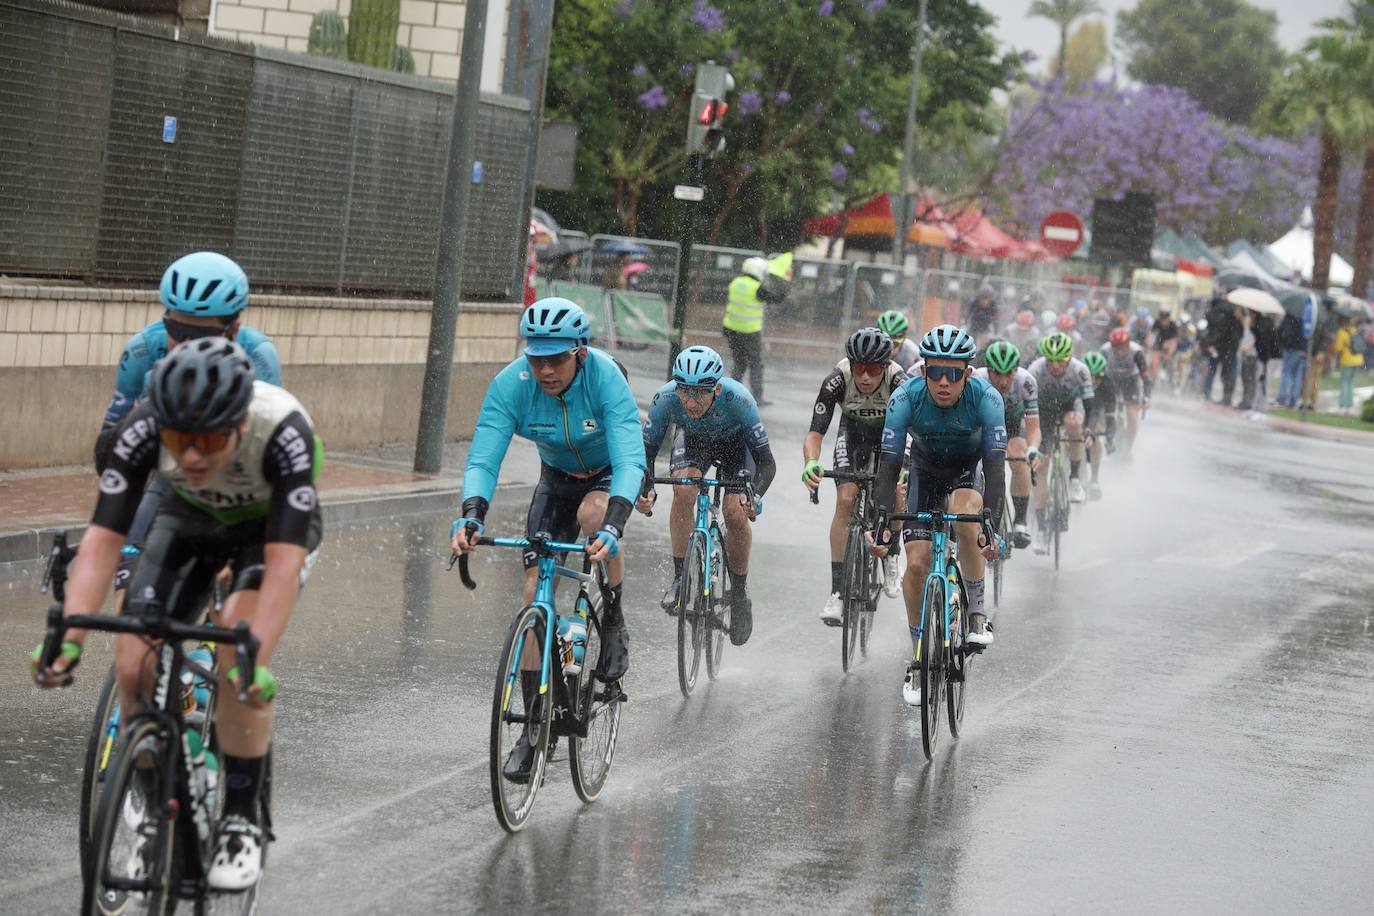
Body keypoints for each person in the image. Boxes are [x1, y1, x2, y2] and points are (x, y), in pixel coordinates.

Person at [33, 338, 323, 891]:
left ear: (239, 424)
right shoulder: (144, 426)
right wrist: (69, 635)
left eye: (209, 440)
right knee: (132, 665)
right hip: (188, 517)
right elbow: (101, 542)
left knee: (237, 657)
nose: (190, 456)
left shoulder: (283, 432)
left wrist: (254, 653)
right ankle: (148, 801)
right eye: (178, 441)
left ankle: (240, 817)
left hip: (265, 533)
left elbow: (283, 568)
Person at [451, 298, 645, 781]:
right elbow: (483, 458)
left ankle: (614, 616)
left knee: (593, 514)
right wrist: (472, 514)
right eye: (536, 358)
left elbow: (630, 461)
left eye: (555, 359)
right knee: (533, 591)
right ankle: (534, 727)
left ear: (579, 352)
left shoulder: (605, 378)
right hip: (555, 479)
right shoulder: (512, 384)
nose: (544, 369)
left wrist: (615, 526)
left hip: (604, 477)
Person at [94, 251, 282, 607]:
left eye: (203, 334)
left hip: (235, 467)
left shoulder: (258, 357)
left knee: (236, 570)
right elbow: (110, 449)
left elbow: (266, 461)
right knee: (129, 577)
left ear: (234, 330)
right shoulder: (142, 350)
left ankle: (210, 644)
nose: (188, 346)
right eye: (176, 331)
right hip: (170, 462)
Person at [870, 325, 1005, 706]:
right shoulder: (905, 397)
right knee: (916, 564)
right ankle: (918, 657)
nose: (943, 382)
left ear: (967, 373)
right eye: (935, 372)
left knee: (965, 515)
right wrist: (882, 521)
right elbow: (890, 463)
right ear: (923, 370)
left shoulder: (987, 398)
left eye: (953, 373)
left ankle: (976, 613)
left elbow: (996, 468)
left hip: (968, 468)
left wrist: (990, 522)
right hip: (924, 469)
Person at [638, 345, 774, 645]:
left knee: (735, 514)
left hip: (737, 447)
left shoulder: (739, 400)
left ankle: (739, 592)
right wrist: (644, 488)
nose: (690, 400)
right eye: (685, 391)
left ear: (717, 387)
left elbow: (767, 463)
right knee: (683, 489)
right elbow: (644, 455)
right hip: (695, 441)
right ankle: (679, 578)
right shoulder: (665, 398)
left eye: (700, 393)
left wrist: (755, 496)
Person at [802, 328, 908, 624]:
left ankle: (892, 551)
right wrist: (811, 463)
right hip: (852, 435)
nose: (864, 376)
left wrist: (907, 468)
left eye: (872, 369)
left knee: (896, 490)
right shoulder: (837, 379)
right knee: (846, 499)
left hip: (891, 435)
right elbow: (814, 433)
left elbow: (914, 431)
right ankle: (836, 592)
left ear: (885, 367)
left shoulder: (900, 382)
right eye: (858, 368)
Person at [975, 340, 1040, 547]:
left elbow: (1033, 426)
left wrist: (1032, 449)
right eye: (997, 374)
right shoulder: (976, 379)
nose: (1003, 381)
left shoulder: (1026, 381)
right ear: (988, 370)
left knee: (1019, 455)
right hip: (982, 425)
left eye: (1009, 374)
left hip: (1012, 424)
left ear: (1016, 370)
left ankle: (1020, 521)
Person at [1028, 331, 1094, 519]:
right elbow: (1027, 406)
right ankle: (1041, 524)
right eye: (1051, 361)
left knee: (1074, 422)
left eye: (1060, 361)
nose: (1055, 366)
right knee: (1042, 464)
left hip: (1068, 406)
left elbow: (1090, 405)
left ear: (1070, 358)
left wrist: (1087, 429)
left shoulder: (1080, 370)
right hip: (1043, 411)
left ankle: (1074, 478)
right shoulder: (1036, 370)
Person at [722, 256, 784, 405]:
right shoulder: (757, 288)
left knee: (739, 362)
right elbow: (776, 298)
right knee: (756, 363)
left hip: (731, 329)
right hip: (750, 332)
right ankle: (757, 396)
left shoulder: (735, 283)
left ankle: (729, 393)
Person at [1101, 327, 1151, 455]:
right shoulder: (1105, 350)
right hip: (1112, 380)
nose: (1119, 351)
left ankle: (1128, 448)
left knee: (1133, 416)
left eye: (1122, 347)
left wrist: (1146, 396)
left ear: (1128, 344)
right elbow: (1097, 374)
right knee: (1106, 411)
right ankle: (1110, 439)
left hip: (1131, 381)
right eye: (1115, 347)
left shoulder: (1137, 352)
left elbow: (1146, 377)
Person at [1081, 351, 1116, 500]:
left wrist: (1110, 437)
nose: (1094, 381)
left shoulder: (1108, 384)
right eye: (1090, 377)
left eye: (1098, 377)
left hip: (1097, 412)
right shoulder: (1077, 379)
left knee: (1096, 433)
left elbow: (1110, 415)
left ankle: (1094, 478)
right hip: (1079, 409)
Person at [1334, 315, 1365, 415]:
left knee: (1344, 382)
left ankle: (1343, 406)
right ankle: (1350, 407)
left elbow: (1338, 348)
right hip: (1358, 360)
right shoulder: (1355, 330)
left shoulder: (1341, 332)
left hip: (1347, 360)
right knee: (1351, 382)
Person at [1276, 311, 1308, 408]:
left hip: (1291, 348)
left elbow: (1284, 331)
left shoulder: (1291, 314)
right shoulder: (1307, 314)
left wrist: (1284, 343)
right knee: (1297, 376)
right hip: (1303, 349)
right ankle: (1293, 399)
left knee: (1286, 372)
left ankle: (1283, 397)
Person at [1150, 310, 1179, 388]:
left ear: (1168, 319)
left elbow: (1174, 341)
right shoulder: (1157, 323)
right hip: (1158, 346)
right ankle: (1153, 381)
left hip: (1169, 348)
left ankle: (1173, 384)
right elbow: (1151, 335)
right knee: (1154, 363)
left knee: (1172, 364)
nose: (1163, 321)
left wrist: (1169, 354)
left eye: (1165, 319)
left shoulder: (1173, 325)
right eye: (1162, 319)